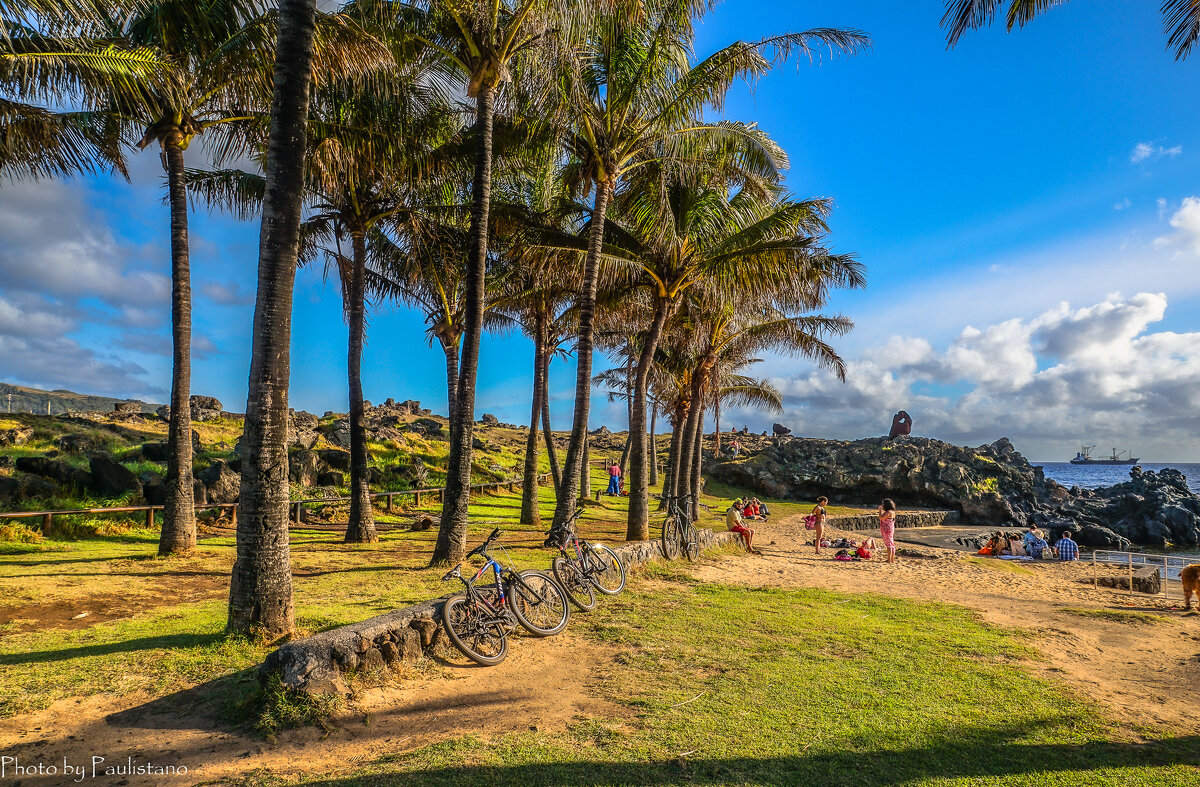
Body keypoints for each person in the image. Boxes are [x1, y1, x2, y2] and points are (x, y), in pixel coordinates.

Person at [878, 498, 897, 563]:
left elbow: (881, 517)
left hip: (887, 529)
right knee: (891, 543)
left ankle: (889, 559)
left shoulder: (888, 512)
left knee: (888, 544)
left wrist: (880, 510)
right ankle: (892, 559)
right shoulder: (893, 512)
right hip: (891, 528)